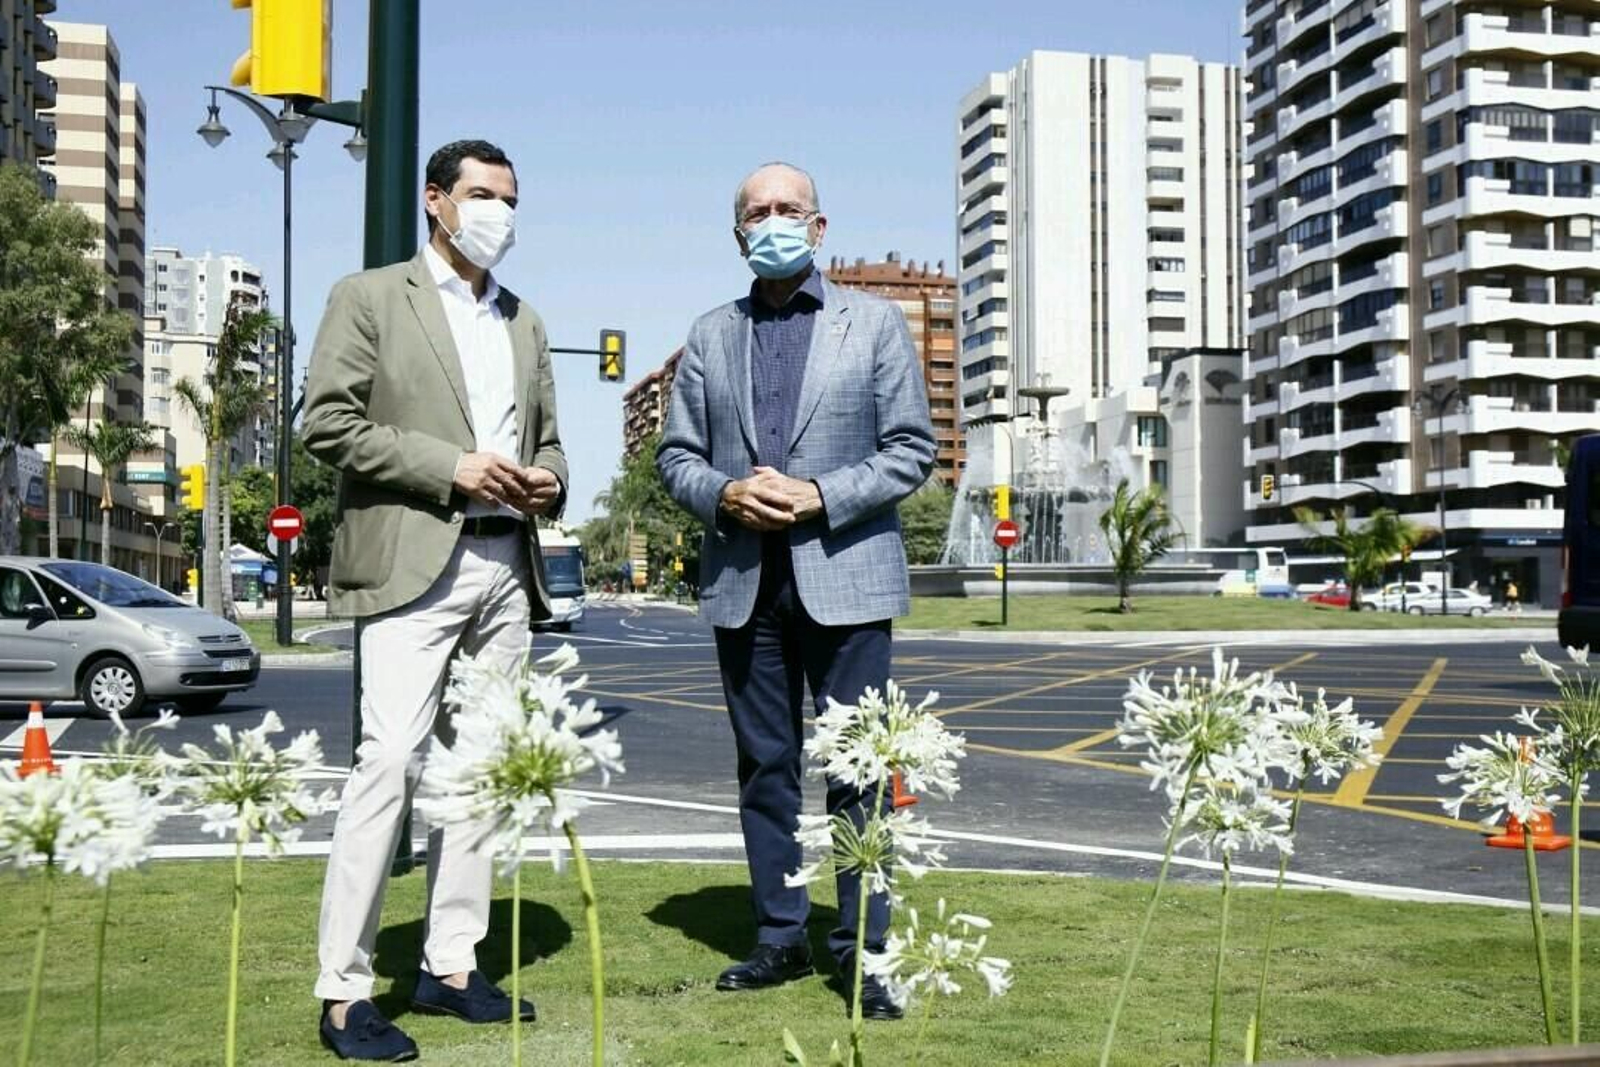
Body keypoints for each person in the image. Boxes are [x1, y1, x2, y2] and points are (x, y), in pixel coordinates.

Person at [302, 139, 567, 1061]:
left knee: (480, 775)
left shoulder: (526, 321)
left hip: (507, 567)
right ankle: (343, 991)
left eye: (511, 196)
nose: (498, 211)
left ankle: (451, 965)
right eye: (482, 194)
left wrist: (546, 479)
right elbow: (328, 422)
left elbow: (556, 444)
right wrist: (450, 468)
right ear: (436, 202)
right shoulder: (370, 297)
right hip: (416, 561)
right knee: (390, 765)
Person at [657, 162, 936, 1021]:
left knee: (860, 772)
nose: (772, 221)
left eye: (788, 210)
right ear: (738, 233)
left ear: (819, 229)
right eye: (756, 212)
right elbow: (675, 458)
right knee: (765, 770)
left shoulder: (877, 323)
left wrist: (820, 495)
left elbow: (911, 450)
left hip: (848, 580)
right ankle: (780, 935)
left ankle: (864, 953)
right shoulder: (709, 335)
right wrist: (724, 494)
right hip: (744, 583)